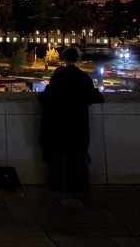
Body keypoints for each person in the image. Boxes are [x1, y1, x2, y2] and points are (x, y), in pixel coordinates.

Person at [39, 46, 104, 193]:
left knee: (59, 155)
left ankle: (59, 186)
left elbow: (46, 97)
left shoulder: (59, 75)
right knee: (80, 154)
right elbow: (97, 97)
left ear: (64, 58)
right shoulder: (84, 77)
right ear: (78, 59)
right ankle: (82, 186)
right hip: (78, 123)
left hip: (59, 123)